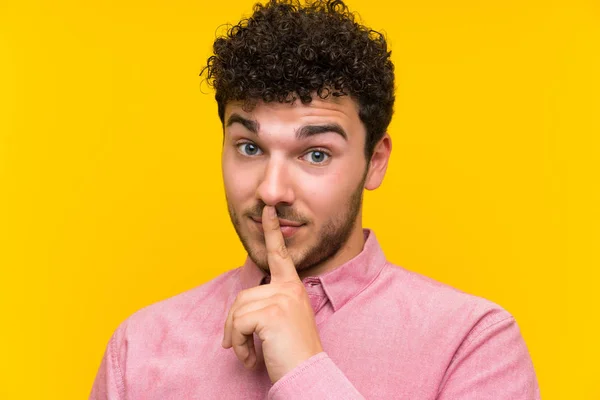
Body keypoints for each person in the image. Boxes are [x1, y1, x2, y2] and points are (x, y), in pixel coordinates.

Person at [90, 0, 540, 398]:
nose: (271, 190)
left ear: (375, 161)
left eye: (316, 154)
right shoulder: (139, 348)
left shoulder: (473, 343)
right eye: (249, 147)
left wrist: (306, 373)